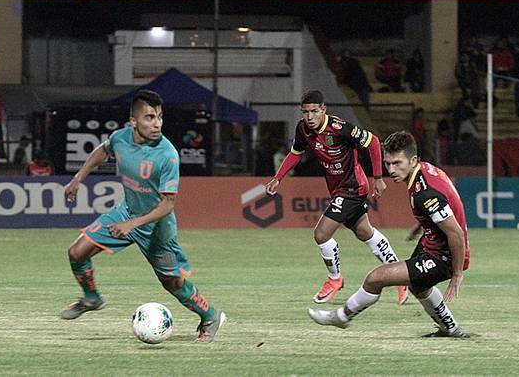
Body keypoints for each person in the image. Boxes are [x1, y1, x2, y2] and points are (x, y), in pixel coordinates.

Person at [60, 90, 225, 343]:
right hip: (126, 212)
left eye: (159, 117)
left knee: (171, 282)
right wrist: (78, 178)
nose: (157, 123)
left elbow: (167, 204)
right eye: (149, 117)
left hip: (157, 228)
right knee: (76, 252)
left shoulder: (167, 154)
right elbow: (103, 150)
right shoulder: (120, 138)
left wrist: (132, 224)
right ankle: (91, 298)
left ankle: (210, 315)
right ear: (133, 122)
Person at [308, 131, 469, 338]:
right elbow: (445, 207)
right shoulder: (426, 171)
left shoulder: (425, 192)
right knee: (419, 288)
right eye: (388, 163)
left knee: (376, 278)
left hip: (445, 255)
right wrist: (420, 228)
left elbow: (455, 234)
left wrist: (457, 274)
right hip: (433, 243)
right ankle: (451, 328)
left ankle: (341, 317)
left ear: (412, 160)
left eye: (397, 163)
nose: (391, 170)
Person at [265, 90, 408, 305]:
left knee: (321, 234)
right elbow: (296, 153)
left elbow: (373, 142)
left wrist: (378, 177)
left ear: (323, 110)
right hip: (338, 189)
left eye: (314, 111)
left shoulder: (341, 128)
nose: (310, 116)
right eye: (306, 112)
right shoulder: (303, 129)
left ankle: (335, 279)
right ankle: (401, 277)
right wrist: (278, 178)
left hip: (353, 187)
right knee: (365, 232)